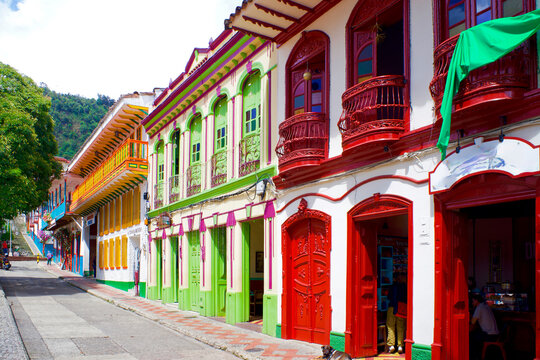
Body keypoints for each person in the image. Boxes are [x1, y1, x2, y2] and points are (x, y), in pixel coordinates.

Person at [470, 293, 499, 360]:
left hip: (489, 335)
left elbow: (472, 322)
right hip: (495, 334)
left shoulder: (479, 307)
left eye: (473, 301)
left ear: (477, 301)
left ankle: (476, 357)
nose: (472, 303)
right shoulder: (486, 306)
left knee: (471, 337)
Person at [386, 273, 407, 354]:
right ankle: (400, 346)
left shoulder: (392, 286)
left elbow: (389, 297)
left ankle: (391, 345)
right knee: (400, 327)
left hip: (392, 307)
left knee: (391, 326)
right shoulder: (405, 287)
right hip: (401, 309)